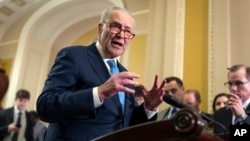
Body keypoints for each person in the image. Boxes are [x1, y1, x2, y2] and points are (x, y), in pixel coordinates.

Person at [36, 6, 166, 141]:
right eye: (115, 26)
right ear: (100, 28)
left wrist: (148, 107)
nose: (121, 35)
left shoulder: (124, 74)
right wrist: (98, 93)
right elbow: (46, 106)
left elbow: (126, 123)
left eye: (128, 31)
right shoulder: (74, 56)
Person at [213, 64, 250, 134]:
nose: (233, 88)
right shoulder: (220, 114)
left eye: (239, 83)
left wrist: (242, 116)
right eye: (230, 84)